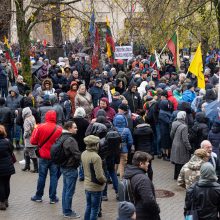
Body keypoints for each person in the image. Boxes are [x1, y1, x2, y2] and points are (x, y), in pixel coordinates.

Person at [30, 110, 62, 203]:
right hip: (54, 157)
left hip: (43, 156)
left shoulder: (40, 127)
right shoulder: (59, 129)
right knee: (54, 177)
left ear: (46, 116)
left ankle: (38, 196)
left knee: (42, 176)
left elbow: (33, 141)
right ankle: (52, 197)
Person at [124, 151, 160, 220]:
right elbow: (149, 201)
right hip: (144, 215)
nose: (148, 164)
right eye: (147, 162)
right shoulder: (142, 180)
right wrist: (157, 210)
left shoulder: (130, 173)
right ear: (141, 164)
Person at [81, 135, 107, 220]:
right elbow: (99, 176)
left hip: (87, 185)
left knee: (88, 206)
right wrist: (105, 180)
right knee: (95, 209)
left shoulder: (84, 153)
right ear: (96, 144)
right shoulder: (96, 157)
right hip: (95, 187)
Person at [60, 121, 81, 218]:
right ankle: (67, 212)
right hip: (70, 167)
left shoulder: (61, 136)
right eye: (75, 127)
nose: (76, 129)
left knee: (65, 190)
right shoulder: (70, 140)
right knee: (69, 191)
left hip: (64, 166)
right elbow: (77, 154)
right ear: (69, 128)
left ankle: (65, 210)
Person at [170, 111, 192, 180]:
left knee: (177, 162)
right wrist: (189, 148)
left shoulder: (174, 123)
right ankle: (180, 178)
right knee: (182, 162)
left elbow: (171, 134)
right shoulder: (184, 126)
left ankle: (175, 176)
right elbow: (185, 140)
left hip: (175, 144)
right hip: (181, 146)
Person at [113, 114, 133, 180]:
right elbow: (130, 142)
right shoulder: (126, 130)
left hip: (115, 150)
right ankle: (122, 181)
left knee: (115, 165)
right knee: (122, 166)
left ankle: (114, 181)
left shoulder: (113, 129)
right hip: (124, 150)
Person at [0, 125, 15, 210]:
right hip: (8, 166)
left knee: (1, 184)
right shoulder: (7, 141)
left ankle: (2, 202)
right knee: (6, 183)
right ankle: (6, 200)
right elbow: (11, 151)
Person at [22, 107, 38, 173]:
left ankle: (36, 168)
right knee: (25, 151)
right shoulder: (32, 117)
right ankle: (27, 166)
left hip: (28, 139)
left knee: (32, 153)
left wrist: (24, 136)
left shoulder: (26, 120)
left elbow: (27, 130)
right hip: (33, 136)